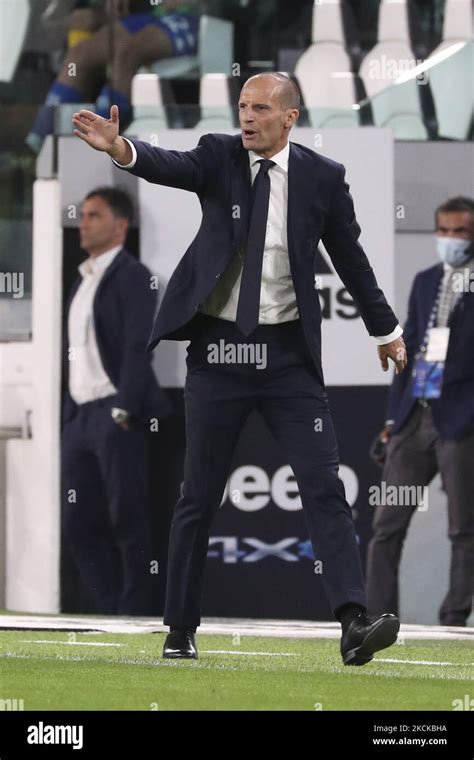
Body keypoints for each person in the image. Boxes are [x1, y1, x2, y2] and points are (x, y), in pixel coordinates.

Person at [71, 72, 407, 664]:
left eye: (259, 108)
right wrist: (120, 149)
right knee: (198, 496)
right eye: (242, 106)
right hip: (219, 355)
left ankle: (354, 621)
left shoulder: (322, 179)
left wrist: (385, 329)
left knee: (325, 487)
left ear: (290, 117)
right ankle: (179, 630)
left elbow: (351, 259)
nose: (246, 117)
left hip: (288, 360)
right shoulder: (218, 156)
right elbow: (164, 163)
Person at [61, 186, 172, 615]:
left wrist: (123, 407)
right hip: (78, 419)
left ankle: (135, 614)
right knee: (78, 522)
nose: (82, 223)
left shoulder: (134, 277)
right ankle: (108, 610)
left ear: (120, 225)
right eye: (83, 214)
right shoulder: (81, 280)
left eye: (93, 215)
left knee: (129, 520)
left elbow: (137, 346)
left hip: (115, 413)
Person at [366, 196, 474, 627]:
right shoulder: (425, 280)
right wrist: (394, 418)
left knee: (463, 528)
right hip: (414, 419)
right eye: (444, 230)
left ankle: (454, 617)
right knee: (386, 525)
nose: (450, 239)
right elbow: (404, 351)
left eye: (460, 232)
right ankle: (376, 618)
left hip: (460, 423)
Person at [27, 0, 200, 154]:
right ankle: (44, 138)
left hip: (194, 15)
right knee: (80, 53)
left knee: (127, 51)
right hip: (148, 15)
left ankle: (97, 139)